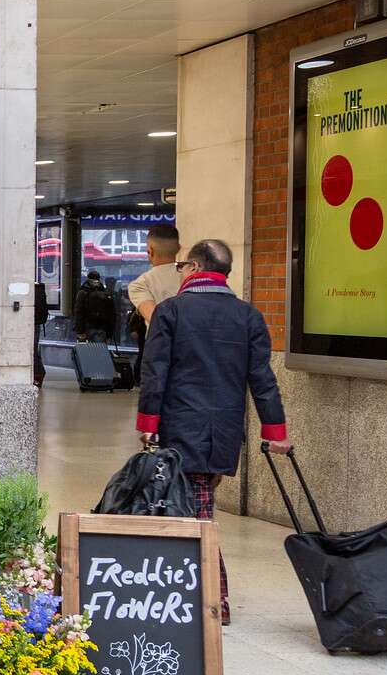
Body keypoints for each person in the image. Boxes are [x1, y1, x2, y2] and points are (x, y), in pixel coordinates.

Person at [137, 239, 292, 624]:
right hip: (223, 432)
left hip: (180, 428)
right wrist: (276, 430)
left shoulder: (170, 312)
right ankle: (185, 592)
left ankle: (212, 598)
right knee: (196, 505)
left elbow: (155, 373)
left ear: (192, 267)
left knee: (197, 516)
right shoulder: (248, 316)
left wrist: (147, 426)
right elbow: (263, 379)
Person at [126, 224, 184, 380]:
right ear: (179, 248)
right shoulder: (193, 275)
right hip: (198, 354)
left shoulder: (140, 284)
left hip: (162, 355)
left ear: (149, 251)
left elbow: (156, 317)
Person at [73, 270, 116, 343]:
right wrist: (110, 334)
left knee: (86, 351)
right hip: (102, 328)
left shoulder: (82, 292)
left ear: (88, 278)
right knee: (99, 351)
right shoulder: (105, 293)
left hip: (87, 327)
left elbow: (79, 313)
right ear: (99, 279)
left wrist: (80, 331)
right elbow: (111, 315)